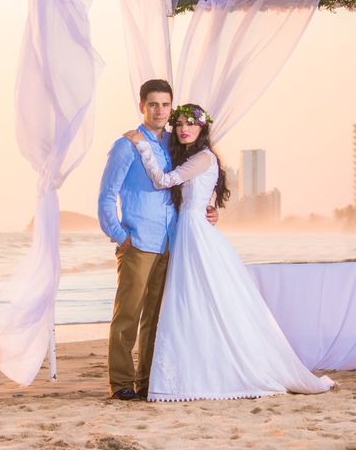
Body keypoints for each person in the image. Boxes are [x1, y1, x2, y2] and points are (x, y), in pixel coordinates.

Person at [123, 103, 334, 401]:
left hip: (194, 234)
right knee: (193, 301)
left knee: (197, 299)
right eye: (180, 123)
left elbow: (162, 181)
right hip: (188, 230)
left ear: (202, 128)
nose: (184, 129)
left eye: (190, 124)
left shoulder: (203, 157)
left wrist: (143, 146)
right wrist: (209, 210)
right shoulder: (193, 157)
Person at [97, 80, 217, 401]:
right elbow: (106, 197)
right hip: (138, 242)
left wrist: (209, 208)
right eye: (153, 104)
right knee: (128, 316)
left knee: (156, 317)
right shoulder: (126, 146)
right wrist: (121, 237)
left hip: (171, 242)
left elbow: (196, 181)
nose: (160, 111)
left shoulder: (175, 146)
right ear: (142, 106)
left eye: (165, 105)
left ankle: (147, 381)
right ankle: (121, 382)